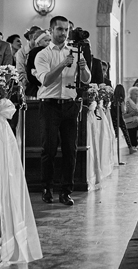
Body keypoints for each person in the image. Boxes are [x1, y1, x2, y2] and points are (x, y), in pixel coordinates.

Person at [34, 15, 91, 205]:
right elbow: (46, 80)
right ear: (51, 31)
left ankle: (66, 191)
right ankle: (47, 188)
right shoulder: (43, 54)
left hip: (69, 105)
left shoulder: (75, 52)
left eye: (66, 30)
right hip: (49, 104)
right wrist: (62, 64)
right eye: (59, 29)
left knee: (70, 150)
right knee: (49, 149)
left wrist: (83, 68)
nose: (63, 33)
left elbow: (87, 79)